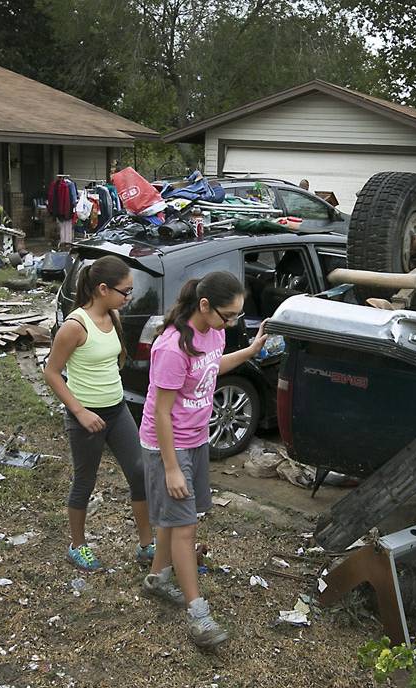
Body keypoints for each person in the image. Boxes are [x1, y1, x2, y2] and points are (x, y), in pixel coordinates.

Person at [139, 272, 267, 649]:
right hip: (168, 444)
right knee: (186, 528)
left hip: (196, 440)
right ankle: (199, 616)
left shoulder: (215, 333)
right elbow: (161, 413)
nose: (231, 323)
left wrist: (249, 352)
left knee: (174, 518)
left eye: (236, 316)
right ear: (204, 305)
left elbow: (213, 366)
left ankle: (158, 578)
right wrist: (172, 467)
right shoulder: (172, 348)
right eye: (227, 315)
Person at [43, 256, 155, 572]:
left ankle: (147, 545)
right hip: (86, 417)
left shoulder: (113, 315)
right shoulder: (74, 326)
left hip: (117, 411)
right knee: (85, 481)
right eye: (125, 291)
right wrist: (79, 412)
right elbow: (51, 372)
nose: (129, 297)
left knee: (139, 472)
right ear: (103, 288)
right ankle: (77, 546)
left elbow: (113, 362)